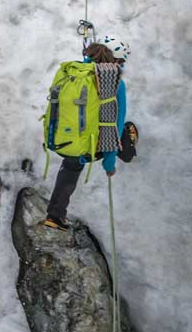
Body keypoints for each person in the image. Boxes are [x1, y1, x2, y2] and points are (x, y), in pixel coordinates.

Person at [42, 35, 133, 230]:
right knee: (127, 129)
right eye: (123, 61)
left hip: (63, 142)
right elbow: (114, 126)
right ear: (116, 60)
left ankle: (54, 216)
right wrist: (109, 163)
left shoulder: (73, 71)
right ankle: (129, 154)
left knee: (71, 165)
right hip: (91, 148)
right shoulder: (115, 83)